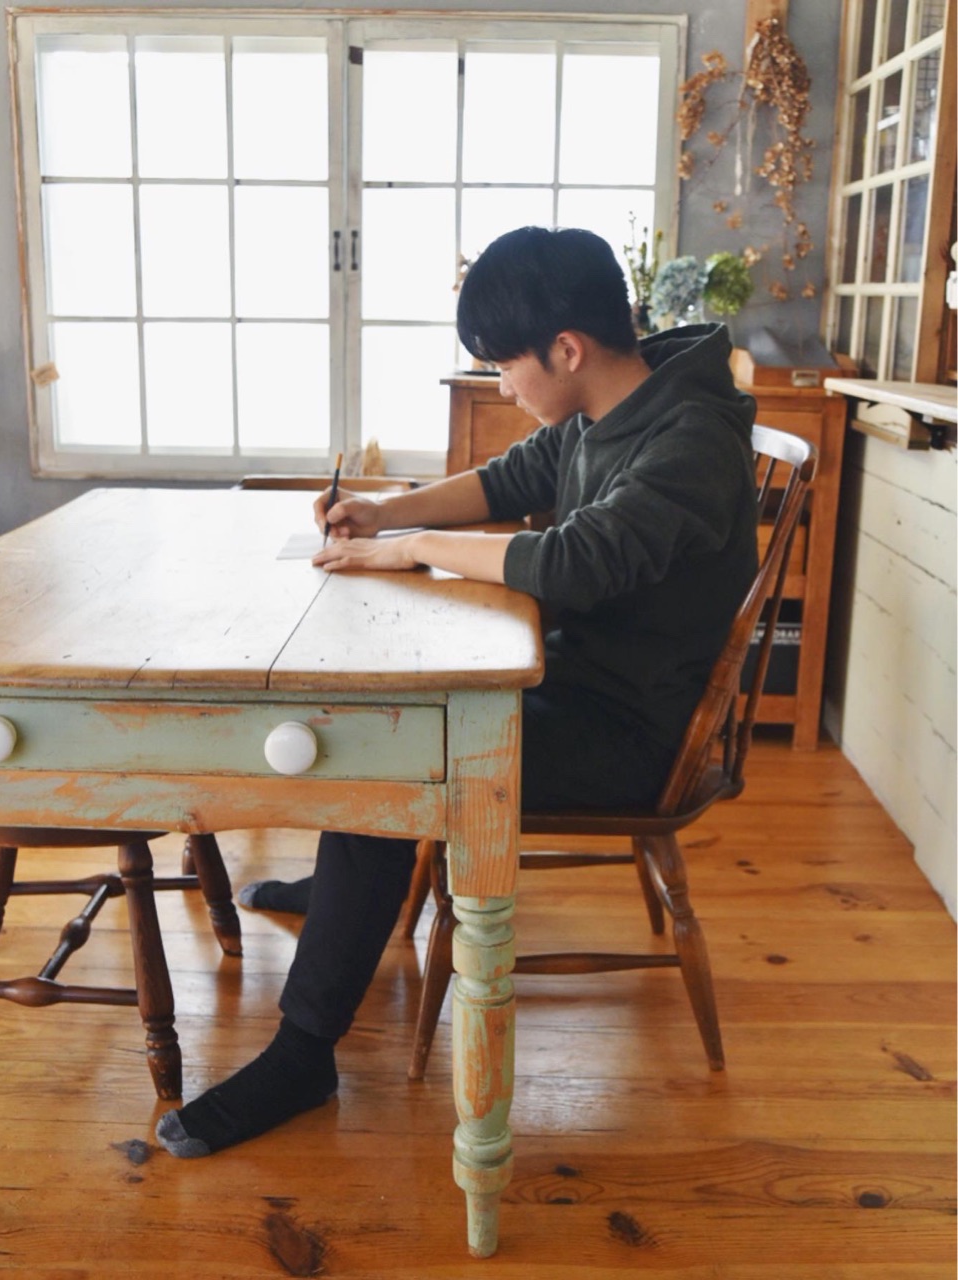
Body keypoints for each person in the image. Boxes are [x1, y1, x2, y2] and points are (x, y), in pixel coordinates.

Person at [155, 225, 758, 1159]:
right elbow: (513, 479)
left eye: (503, 364)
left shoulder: (690, 438)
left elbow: (574, 561)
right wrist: (385, 511)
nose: (501, 385)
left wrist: (410, 548)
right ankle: (357, 877)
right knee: (386, 745)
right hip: (579, 684)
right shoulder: (618, 403)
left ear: (567, 349)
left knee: (392, 760)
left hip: (633, 734)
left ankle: (304, 1054)